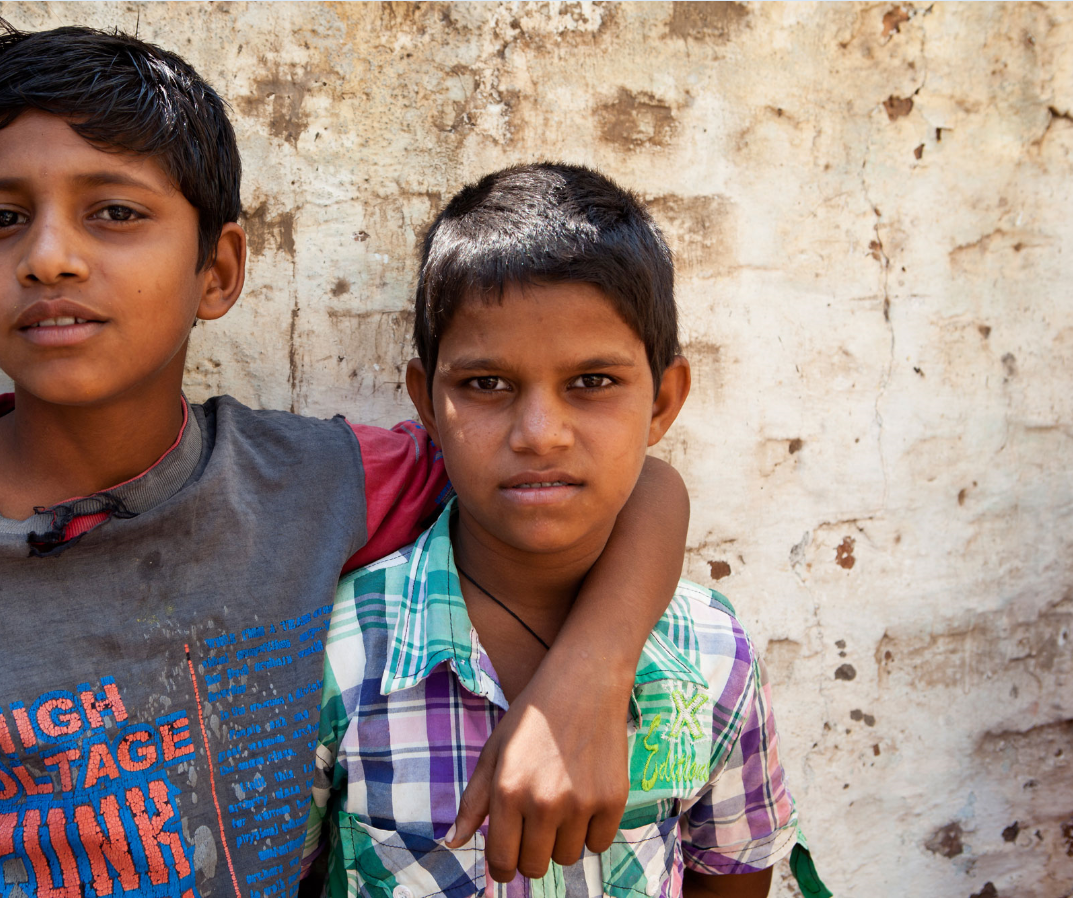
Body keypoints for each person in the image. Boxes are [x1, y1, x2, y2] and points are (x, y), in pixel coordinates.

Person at [0, 23, 692, 898]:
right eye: (2, 218)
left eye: (114, 212)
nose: (49, 256)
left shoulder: (315, 484)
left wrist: (584, 682)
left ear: (218, 270)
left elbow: (630, 479)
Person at [302, 164, 828, 898]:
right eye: (486, 384)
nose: (540, 434)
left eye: (591, 382)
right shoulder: (340, 655)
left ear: (663, 400)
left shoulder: (708, 654)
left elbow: (733, 871)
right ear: (427, 400)